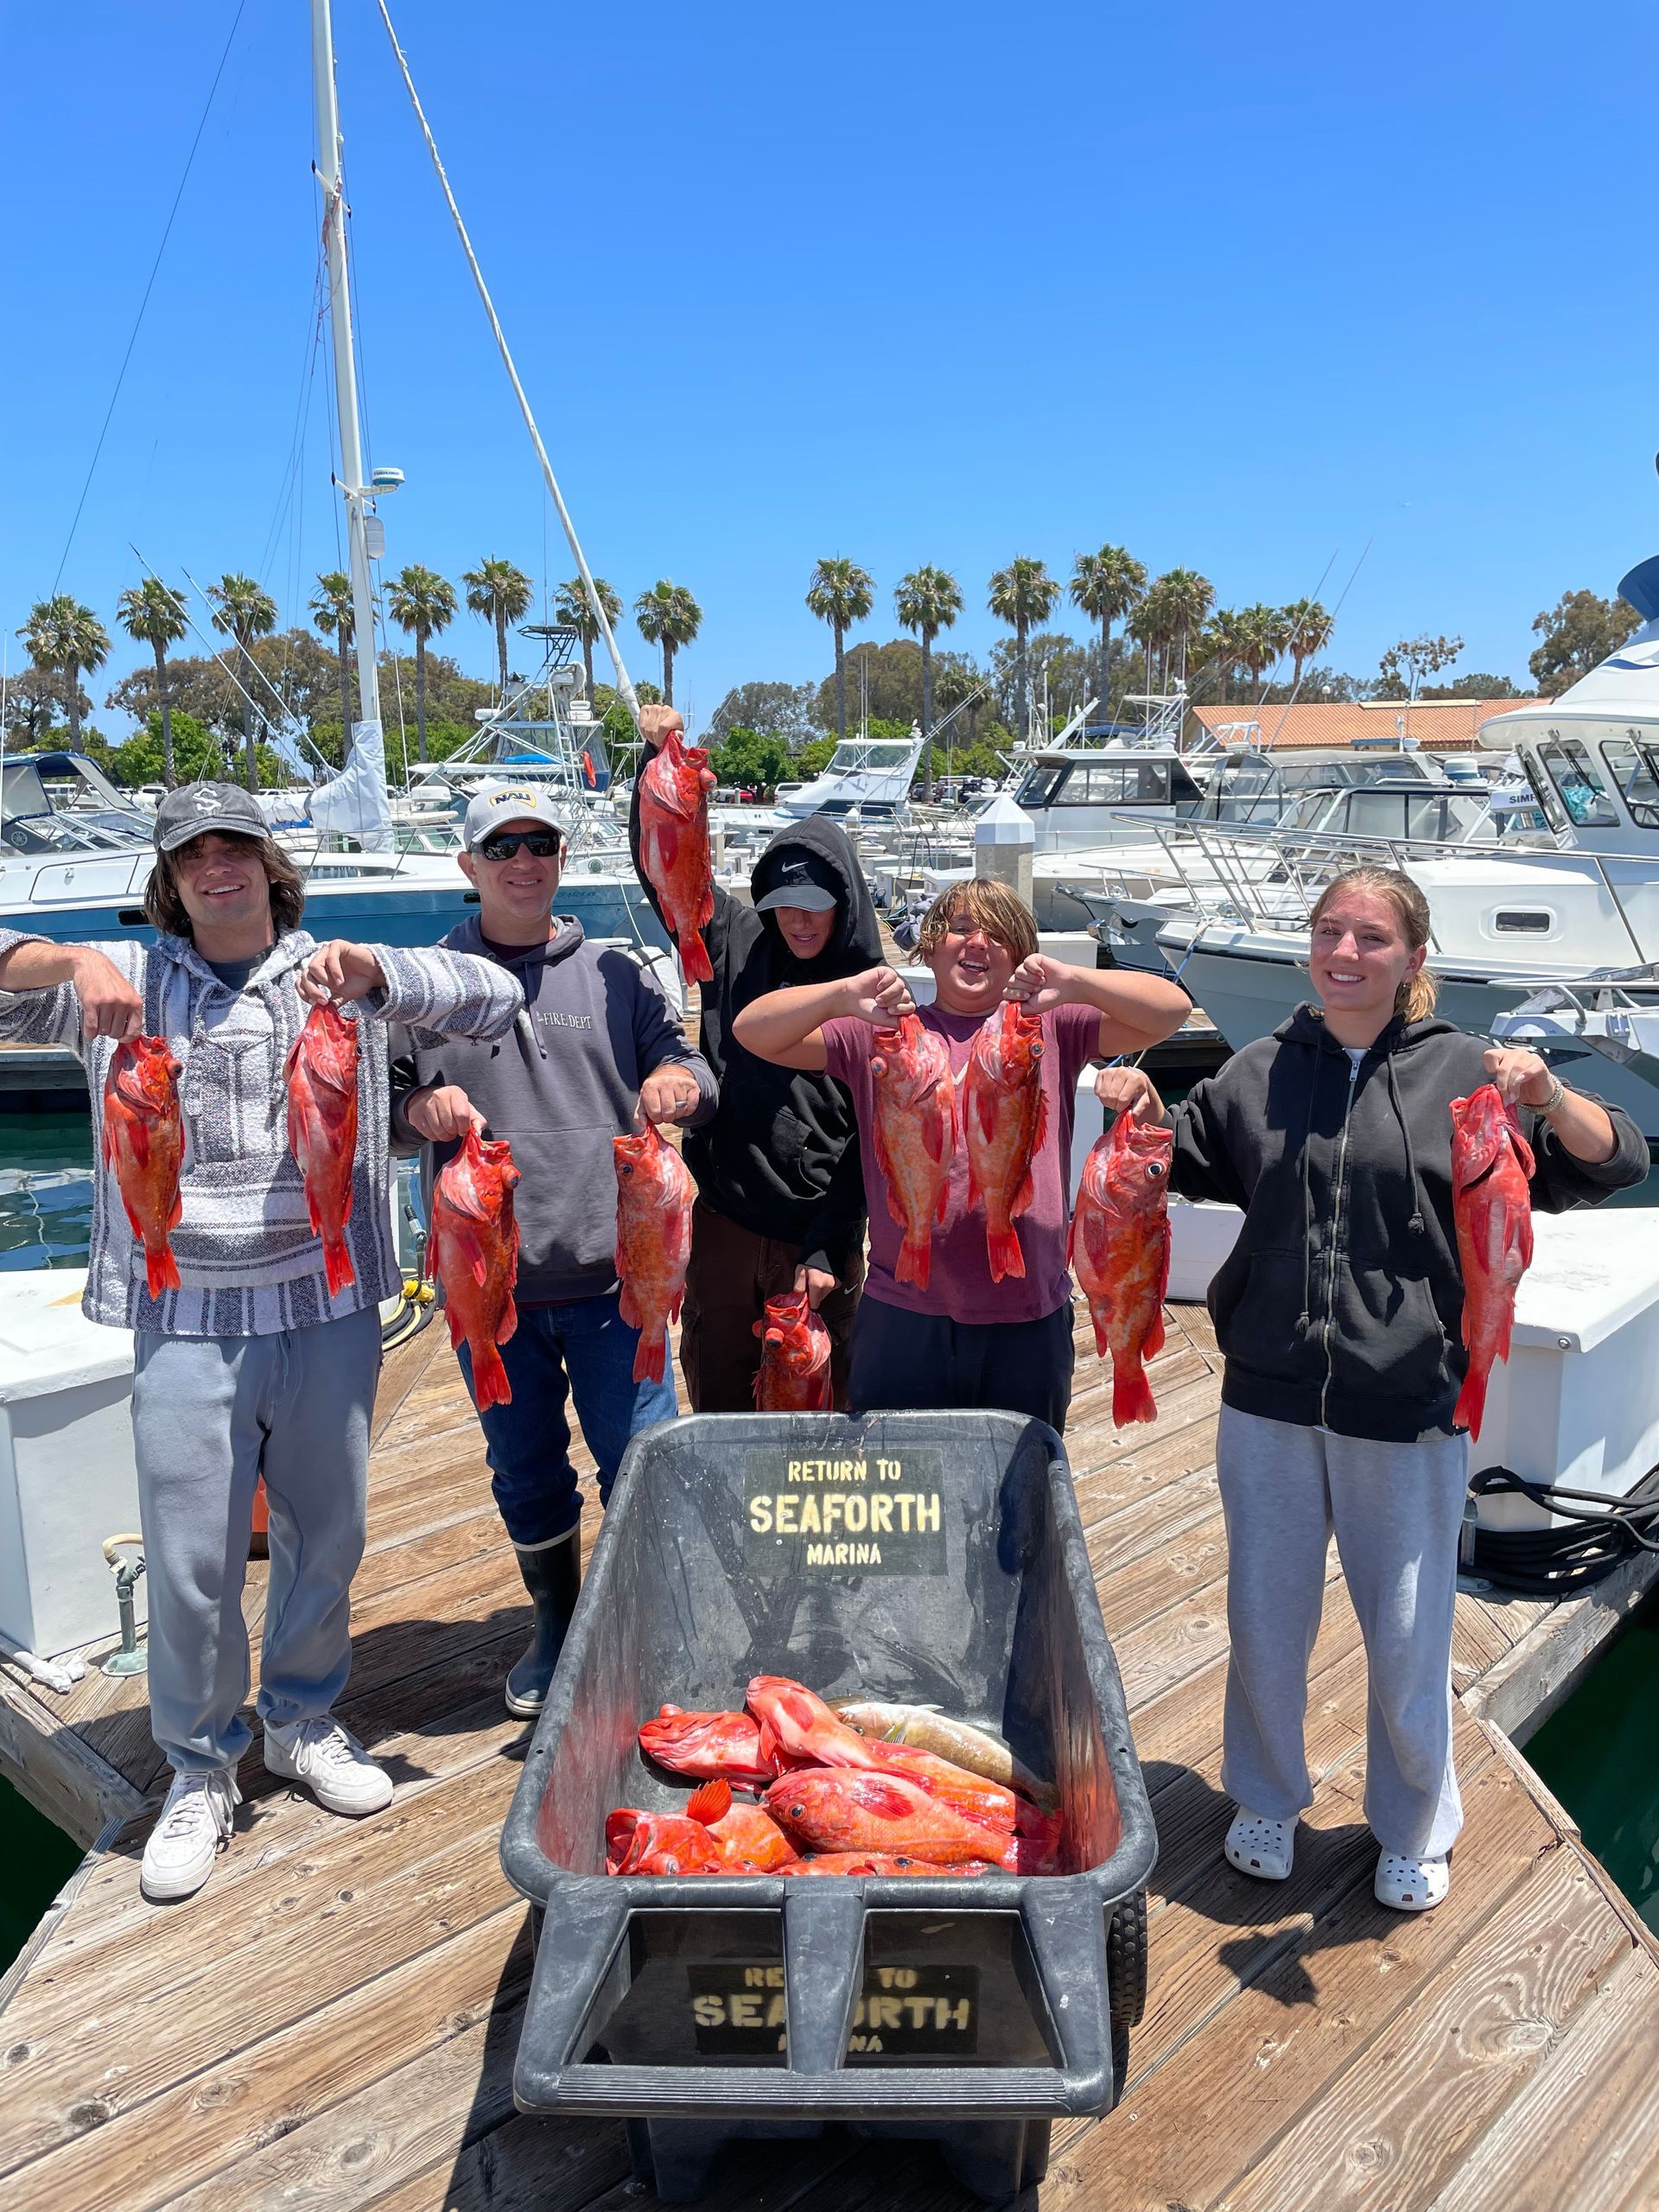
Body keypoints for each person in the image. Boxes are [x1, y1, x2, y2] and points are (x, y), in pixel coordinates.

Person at [0, 783, 523, 1903]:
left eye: (239, 845)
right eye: (195, 852)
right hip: (183, 1315)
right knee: (191, 1560)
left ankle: (300, 1718)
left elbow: (493, 997)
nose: (218, 865)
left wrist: (384, 976)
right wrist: (60, 962)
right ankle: (199, 1765)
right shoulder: (122, 983)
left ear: (273, 865)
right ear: (170, 875)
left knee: (325, 1534)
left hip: (327, 1304)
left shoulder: (335, 977)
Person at [1095, 865, 1646, 1914]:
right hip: (1266, 1397)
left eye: (1371, 939)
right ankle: (1264, 1797)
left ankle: (1415, 1822)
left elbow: (1609, 1159)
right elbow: (1179, 1158)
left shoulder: (1466, 1079)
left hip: (1409, 1405)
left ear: (1413, 962)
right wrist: (1139, 1101)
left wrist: (1549, 1095)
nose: (1344, 953)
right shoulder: (1259, 1068)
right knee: (1264, 1616)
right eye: (1329, 931)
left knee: (1406, 1627)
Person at [391, 783, 716, 1717]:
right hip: (488, 1287)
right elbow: (384, 1106)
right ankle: (559, 1620)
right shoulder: (428, 979)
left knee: (642, 1457)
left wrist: (672, 1082)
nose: (524, 863)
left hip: (622, 1277)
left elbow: (689, 1064)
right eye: (503, 849)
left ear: (563, 859)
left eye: (541, 845)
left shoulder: (617, 971)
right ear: (470, 866)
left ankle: (648, 1623)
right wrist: (419, 1108)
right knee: (524, 1463)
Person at [733, 876, 1189, 1428]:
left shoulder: (1051, 1029)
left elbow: (1171, 1011)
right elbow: (753, 1032)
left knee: (1016, 1497)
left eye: (999, 935)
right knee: (904, 1491)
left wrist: (1073, 982)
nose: (978, 943)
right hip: (902, 1311)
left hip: (1028, 1314)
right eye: (961, 928)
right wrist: (838, 995)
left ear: (1021, 958)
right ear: (930, 944)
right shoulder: (882, 1036)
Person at [628, 705, 883, 1410]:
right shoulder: (732, 941)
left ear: (846, 900)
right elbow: (663, 870)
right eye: (783, 903)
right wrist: (651, 769)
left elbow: (874, 1137)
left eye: (814, 904)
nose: (797, 920)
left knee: (819, 1399)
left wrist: (833, 1246)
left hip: (817, 1238)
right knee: (719, 1392)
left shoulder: (869, 989)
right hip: (724, 1221)